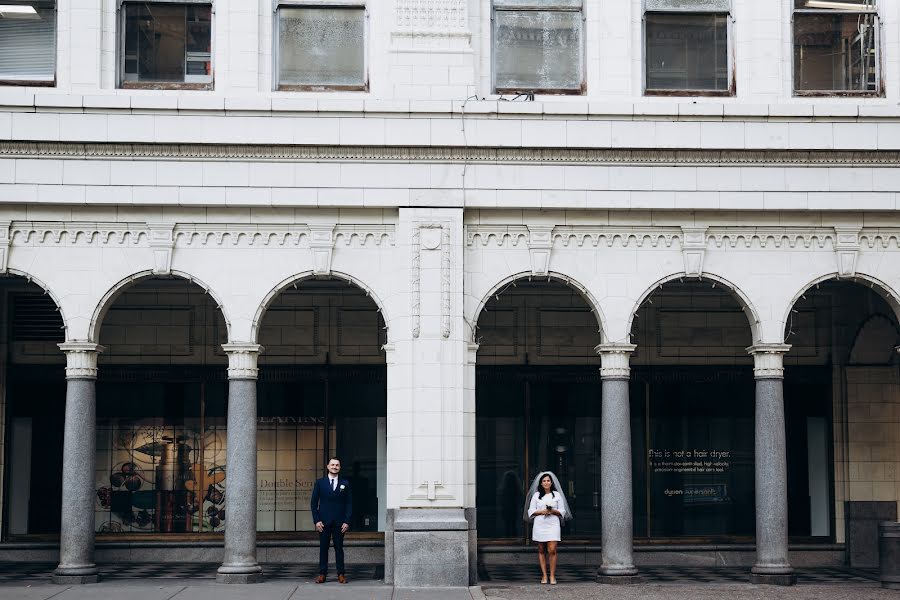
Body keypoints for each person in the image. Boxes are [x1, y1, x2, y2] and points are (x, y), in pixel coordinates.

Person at [524, 471, 572, 585]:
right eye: (544, 481)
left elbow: (562, 511)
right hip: (540, 524)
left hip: (553, 524)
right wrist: (542, 511)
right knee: (541, 549)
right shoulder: (536, 495)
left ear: (551, 482)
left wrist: (552, 511)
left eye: (548, 481)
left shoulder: (557, 495)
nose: (546, 483)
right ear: (541, 483)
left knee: (552, 549)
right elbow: (531, 511)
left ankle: (552, 575)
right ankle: (544, 575)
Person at [310, 457, 352, 584]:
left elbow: (349, 504)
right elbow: (313, 503)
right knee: (323, 548)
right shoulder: (320, 483)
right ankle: (322, 574)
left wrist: (347, 521)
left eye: (337, 465)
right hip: (323, 523)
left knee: (339, 549)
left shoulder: (345, 483)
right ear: (328, 466)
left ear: (340, 467)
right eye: (332, 464)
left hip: (340, 523)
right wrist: (316, 521)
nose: (335, 467)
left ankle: (341, 574)